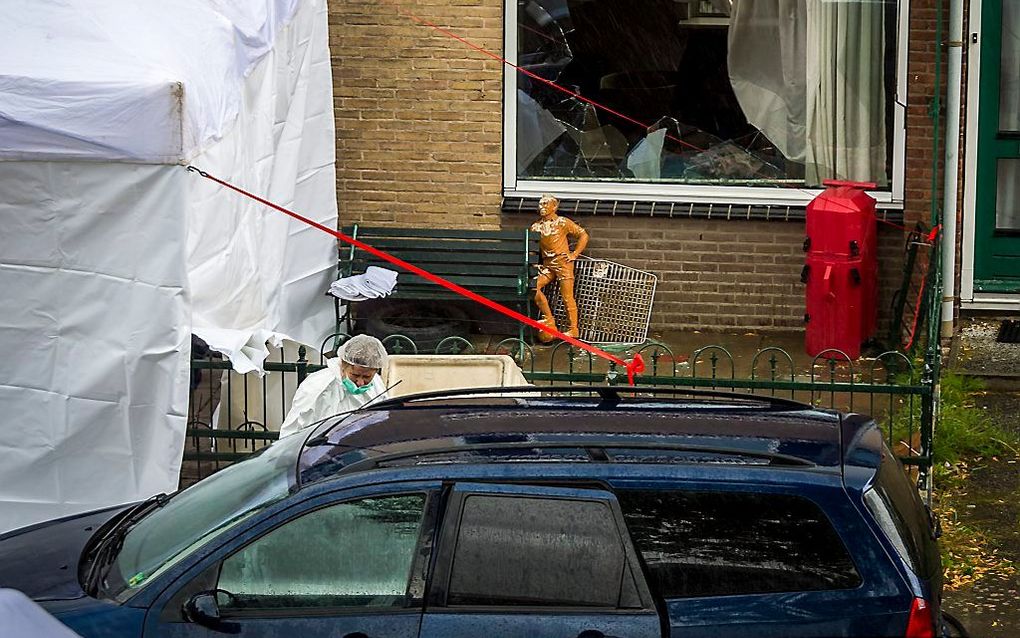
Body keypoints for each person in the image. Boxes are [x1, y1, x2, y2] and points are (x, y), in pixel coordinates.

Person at [279, 334, 389, 438]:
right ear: (343, 365)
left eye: (367, 377)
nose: (360, 383)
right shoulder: (317, 386)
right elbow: (292, 431)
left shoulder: (377, 385)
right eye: (355, 375)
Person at [531, 194, 589, 341]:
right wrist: (534, 263)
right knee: (534, 287)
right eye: (540, 204)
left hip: (563, 263)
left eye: (545, 204)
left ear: (554, 207)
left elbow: (583, 235)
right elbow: (531, 248)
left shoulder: (562, 222)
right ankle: (549, 319)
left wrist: (574, 254)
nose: (542, 207)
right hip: (547, 264)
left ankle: (573, 330)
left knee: (567, 297)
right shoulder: (535, 227)